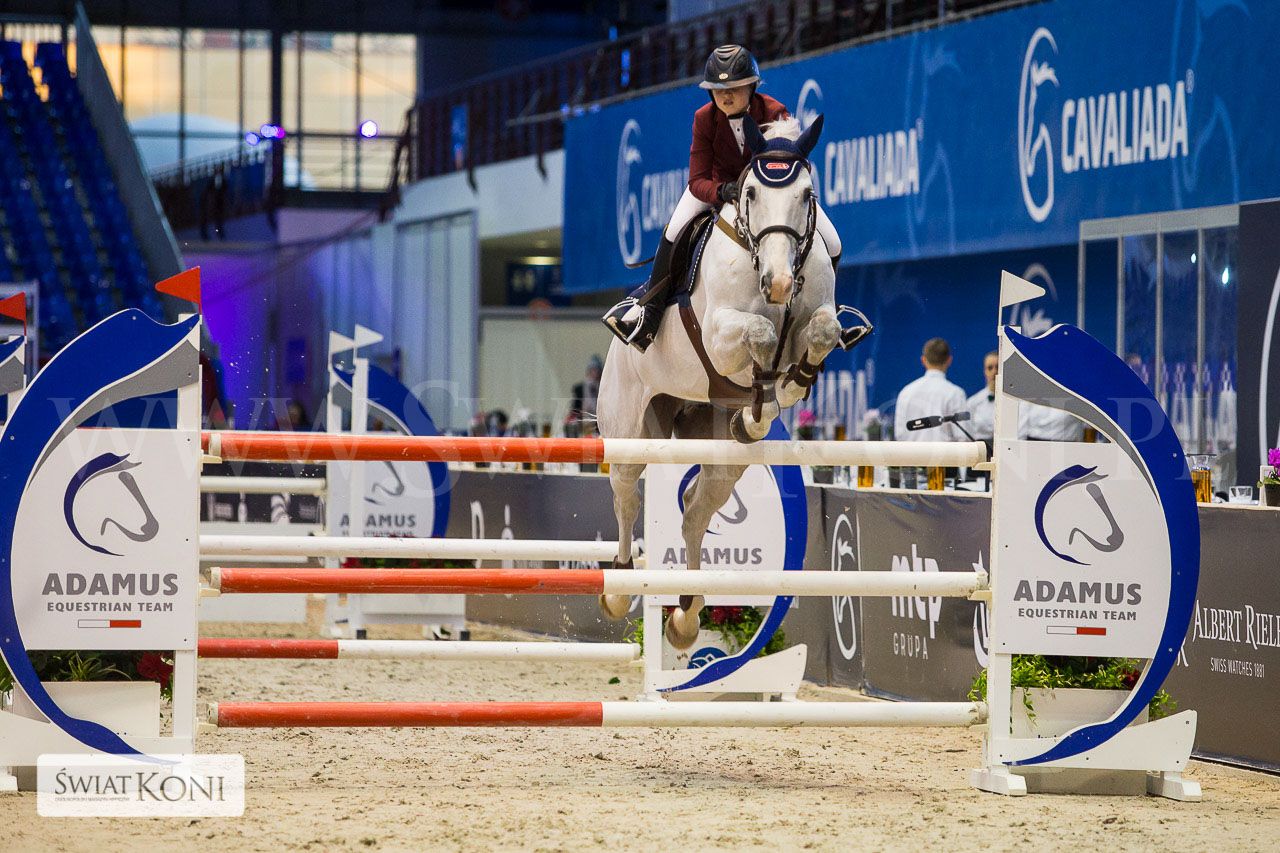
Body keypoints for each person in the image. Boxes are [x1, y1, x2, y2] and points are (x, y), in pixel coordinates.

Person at [602, 44, 843, 352]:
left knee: (833, 241)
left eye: (734, 88)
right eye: (718, 90)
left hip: (768, 196)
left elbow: (792, 165)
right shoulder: (704, 119)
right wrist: (722, 191)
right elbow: (697, 179)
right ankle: (650, 312)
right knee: (674, 231)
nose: (725, 96)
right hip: (718, 189)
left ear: (751, 86)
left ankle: (832, 308)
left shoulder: (774, 112)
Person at [894, 338, 967, 442]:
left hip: (911, 452)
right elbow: (963, 438)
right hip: (945, 453)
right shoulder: (955, 393)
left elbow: (900, 435)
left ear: (923, 360)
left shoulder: (906, 392)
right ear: (949, 360)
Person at [966, 351, 998, 441]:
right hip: (980, 447)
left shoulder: (1015, 402)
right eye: (990, 368)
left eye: (998, 367)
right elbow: (968, 432)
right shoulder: (973, 402)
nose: (994, 372)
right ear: (985, 371)